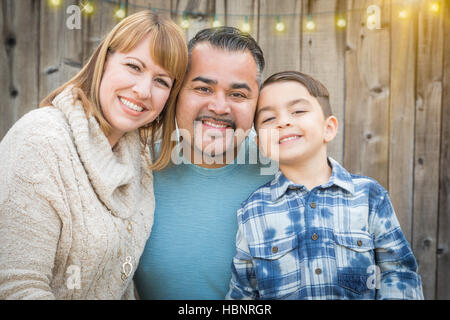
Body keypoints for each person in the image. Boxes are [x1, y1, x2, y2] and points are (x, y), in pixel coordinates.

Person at [0, 11, 188, 299]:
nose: (143, 90)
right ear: (104, 61)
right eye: (134, 66)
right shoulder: (41, 141)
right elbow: (16, 287)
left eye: (161, 81)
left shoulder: (137, 158)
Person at [226, 71, 424, 300]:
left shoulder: (369, 196)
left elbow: (398, 273)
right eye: (269, 118)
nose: (283, 122)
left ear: (328, 128)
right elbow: (243, 292)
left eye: (298, 111)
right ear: (261, 144)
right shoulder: (254, 211)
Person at [134, 27, 274, 299]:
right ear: (176, 93)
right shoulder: (137, 168)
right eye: (203, 88)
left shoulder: (284, 173)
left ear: (257, 102)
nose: (220, 107)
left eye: (238, 94)